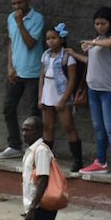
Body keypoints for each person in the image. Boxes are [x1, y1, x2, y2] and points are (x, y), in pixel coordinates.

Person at [75, 7, 111, 177]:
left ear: (110, 23)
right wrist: (75, 53)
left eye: (103, 23)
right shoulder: (97, 40)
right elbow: (92, 62)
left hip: (109, 91)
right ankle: (101, 161)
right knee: (98, 127)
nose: (99, 27)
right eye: (96, 24)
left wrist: (92, 43)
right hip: (93, 89)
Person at [0, 0, 44, 160]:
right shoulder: (11, 17)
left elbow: (30, 42)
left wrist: (20, 24)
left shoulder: (37, 18)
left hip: (33, 72)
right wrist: (9, 66)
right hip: (16, 71)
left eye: (20, 3)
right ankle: (14, 145)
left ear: (28, 1)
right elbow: (12, 42)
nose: (16, 7)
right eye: (13, 3)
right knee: (8, 108)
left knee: (33, 112)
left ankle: (35, 150)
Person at [38, 23, 83, 171]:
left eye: (54, 38)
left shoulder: (67, 57)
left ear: (61, 39)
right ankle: (46, 160)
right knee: (47, 127)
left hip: (61, 93)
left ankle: (77, 159)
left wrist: (63, 100)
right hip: (47, 93)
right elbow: (42, 77)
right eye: (48, 38)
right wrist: (40, 97)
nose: (51, 41)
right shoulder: (45, 55)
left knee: (68, 126)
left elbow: (72, 80)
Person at [20, 116, 57, 220]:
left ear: (38, 131)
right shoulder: (31, 151)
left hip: (41, 208)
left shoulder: (41, 150)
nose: (24, 133)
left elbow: (43, 180)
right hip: (36, 207)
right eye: (23, 130)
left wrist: (32, 209)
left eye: (28, 130)